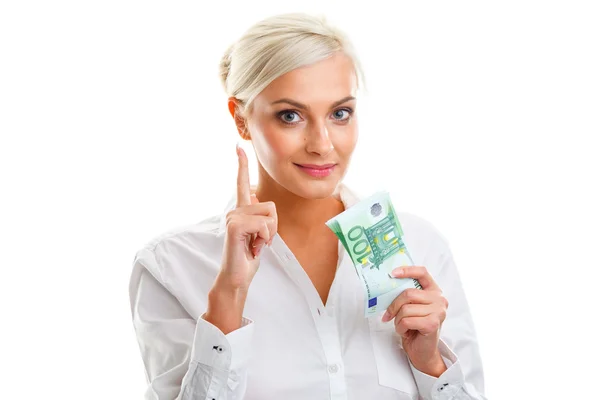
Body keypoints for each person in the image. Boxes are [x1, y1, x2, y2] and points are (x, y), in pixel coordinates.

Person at [128, 12, 486, 400]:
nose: (322, 143)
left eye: (339, 113)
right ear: (242, 119)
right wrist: (228, 298)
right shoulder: (172, 266)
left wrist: (429, 363)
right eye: (290, 116)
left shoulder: (421, 245)